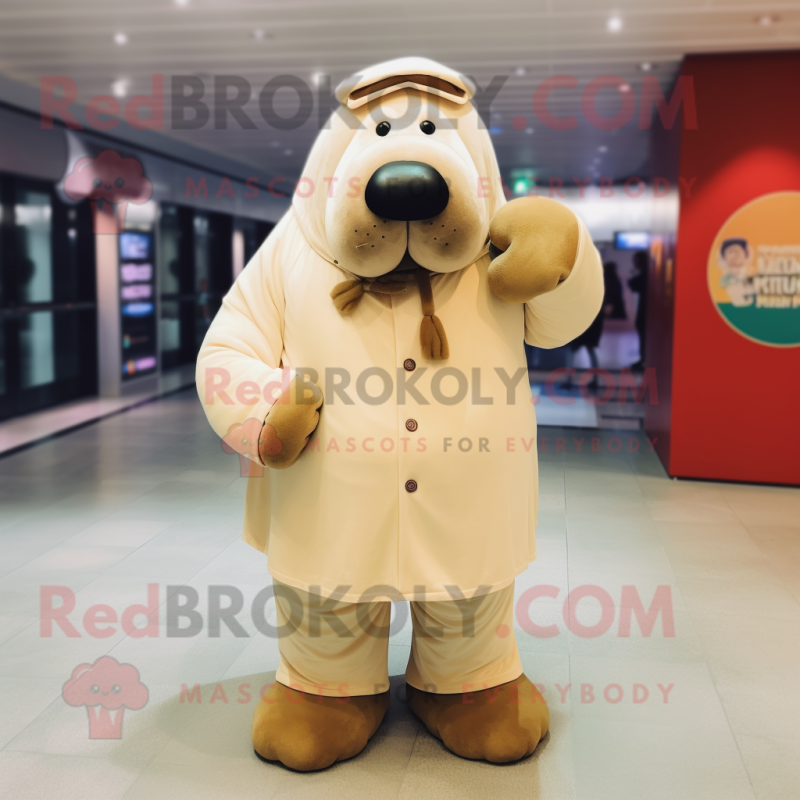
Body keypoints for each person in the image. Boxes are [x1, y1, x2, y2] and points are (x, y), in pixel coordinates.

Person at [628, 250, 649, 370]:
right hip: (645, 310)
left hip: (645, 312)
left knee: (644, 336)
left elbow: (632, 283)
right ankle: (643, 359)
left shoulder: (645, 275)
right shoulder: (646, 274)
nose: (634, 263)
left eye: (635, 260)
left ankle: (644, 360)